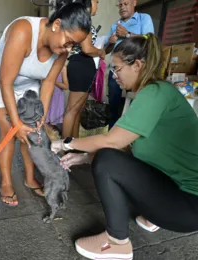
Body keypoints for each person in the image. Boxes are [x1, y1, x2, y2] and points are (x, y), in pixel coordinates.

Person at [51, 33, 198, 260]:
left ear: (137, 65)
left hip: (190, 207)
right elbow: (129, 149)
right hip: (182, 196)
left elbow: (113, 142)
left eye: (117, 69)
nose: (114, 76)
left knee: (107, 160)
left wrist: (65, 143)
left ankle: (116, 241)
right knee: (108, 157)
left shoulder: (154, 94)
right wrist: (82, 157)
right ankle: (153, 217)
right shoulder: (153, 93)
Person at [0, 2, 91, 206]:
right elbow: (5, 82)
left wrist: (40, 119)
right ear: (57, 24)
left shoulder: (62, 52)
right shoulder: (24, 31)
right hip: (0, 81)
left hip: (26, 83)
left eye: (73, 45)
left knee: (32, 130)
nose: (68, 48)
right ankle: (6, 182)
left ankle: (29, 178)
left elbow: (49, 83)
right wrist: (16, 122)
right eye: (68, 41)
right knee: (9, 132)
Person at [104, 0, 154, 128]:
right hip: (116, 71)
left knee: (136, 104)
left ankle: (132, 135)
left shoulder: (144, 18)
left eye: (126, 4)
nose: (122, 7)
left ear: (134, 3)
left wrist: (126, 34)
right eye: (120, 5)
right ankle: (112, 137)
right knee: (114, 107)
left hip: (136, 71)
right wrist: (110, 42)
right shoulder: (115, 25)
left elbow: (149, 40)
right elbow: (106, 51)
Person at [62, 0, 105, 139]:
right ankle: (63, 149)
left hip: (81, 64)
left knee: (77, 111)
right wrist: (100, 52)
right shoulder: (83, 19)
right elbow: (87, 49)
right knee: (72, 110)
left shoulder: (80, 18)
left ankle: (73, 145)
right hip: (81, 64)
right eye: (97, 1)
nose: (97, 5)